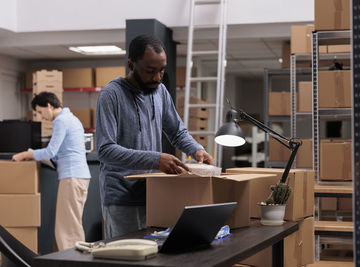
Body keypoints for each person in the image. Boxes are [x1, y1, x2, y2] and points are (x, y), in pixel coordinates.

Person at [96, 34, 213, 239]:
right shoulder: (111, 95)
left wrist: (197, 150)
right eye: (150, 71)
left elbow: (177, 131)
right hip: (122, 197)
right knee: (127, 258)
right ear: (132, 64)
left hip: (154, 194)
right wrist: (155, 159)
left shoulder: (160, 92)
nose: (158, 77)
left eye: (161, 70)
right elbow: (105, 150)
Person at [12, 92, 91, 251]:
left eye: (40, 112)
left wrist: (26, 154)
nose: (41, 117)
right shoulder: (72, 118)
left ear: (49, 105)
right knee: (67, 226)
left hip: (71, 177)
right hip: (79, 176)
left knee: (68, 230)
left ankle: (73, 263)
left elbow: (51, 152)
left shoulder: (61, 120)